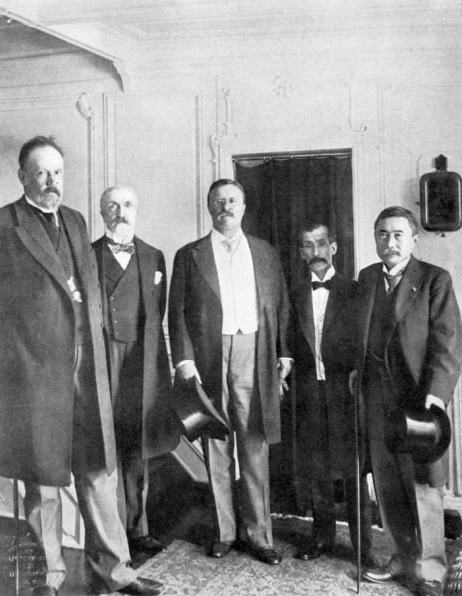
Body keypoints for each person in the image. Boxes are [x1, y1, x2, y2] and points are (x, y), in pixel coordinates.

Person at [0, 136, 163, 596]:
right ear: (22, 177)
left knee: (99, 473)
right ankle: (50, 579)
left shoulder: (78, 221)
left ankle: (117, 574)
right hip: (34, 374)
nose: (50, 182)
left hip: (87, 373)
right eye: (41, 173)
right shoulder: (0, 226)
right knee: (44, 480)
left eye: (57, 173)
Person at [168, 178, 292, 565]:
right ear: (209, 208)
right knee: (216, 441)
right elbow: (177, 314)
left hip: (254, 352)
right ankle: (224, 532)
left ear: (244, 207)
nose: (226, 207)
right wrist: (184, 360)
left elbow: (282, 305)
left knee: (254, 442)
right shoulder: (189, 255)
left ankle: (259, 535)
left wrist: (284, 353)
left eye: (233, 201)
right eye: (219, 201)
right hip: (208, 355)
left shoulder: (265, 252)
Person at [349, 206, 462, 596]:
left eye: (398, 234)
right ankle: (401, 555)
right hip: (377, 397)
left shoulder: (435, 280)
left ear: (414, 239)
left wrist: (435, 397)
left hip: (419, 399)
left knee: (425, 484)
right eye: (382, 234)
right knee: (387, 480)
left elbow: (447, 347)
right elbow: (358, 336)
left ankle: (430, 569)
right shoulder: (366, 278)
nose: (390, 242)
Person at [92, 186, 180, 556]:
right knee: (103, 446)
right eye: (112, 205)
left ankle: (137, 529)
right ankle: (107, 532)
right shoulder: (87, 254)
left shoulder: (153, 256)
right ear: (102, 213)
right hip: (101, 356)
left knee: (136, 446)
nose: (120, 211)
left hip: (140, 360)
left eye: (128, 204)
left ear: (136, 210)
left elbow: (158, 313)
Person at [291, 222, 374, 564]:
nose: (316, 252)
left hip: (345, 391)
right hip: (309, 390)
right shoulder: (294, 292)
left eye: (321, 243)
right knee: (317, 468)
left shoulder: (356, 290)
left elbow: (365, 340)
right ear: (300, 253)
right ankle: (322, 538)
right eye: (308, 246)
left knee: (353, 469)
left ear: (335, 247)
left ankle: (362, 547)